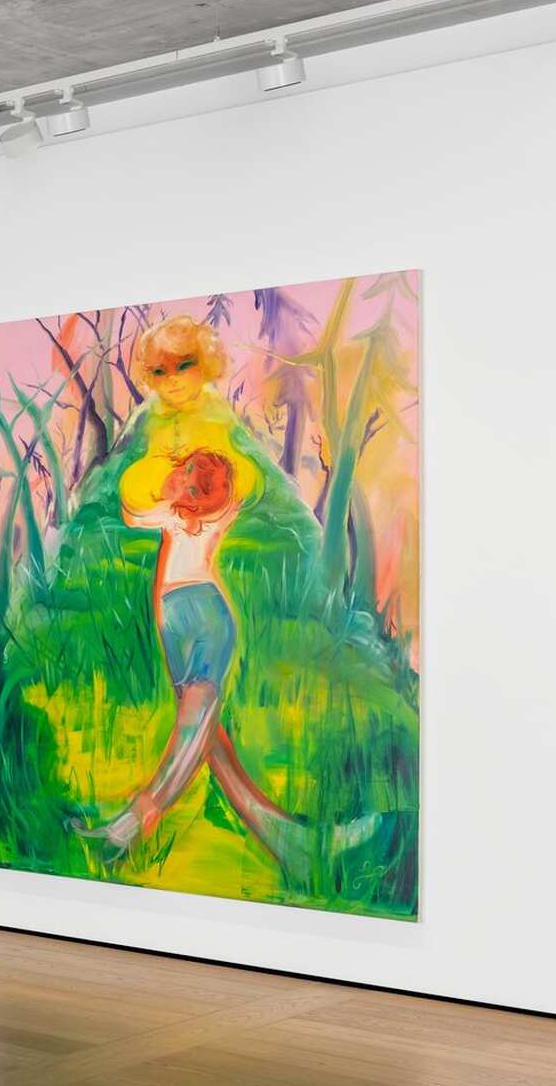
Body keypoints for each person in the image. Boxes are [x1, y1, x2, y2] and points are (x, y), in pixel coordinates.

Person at [75, 317, 372, 867]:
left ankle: (128, 827)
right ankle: (296, 845)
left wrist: (192, 480)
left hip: (207, 618)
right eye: (160, 371)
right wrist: (169, 479)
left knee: (195, 727)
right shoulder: (171, 510)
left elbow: (239, 480)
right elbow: (132, 504)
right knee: (209, 744)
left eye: (183, 366)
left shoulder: (212, 507)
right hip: (172, 618)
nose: (172, 379)